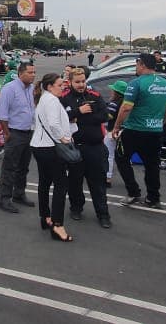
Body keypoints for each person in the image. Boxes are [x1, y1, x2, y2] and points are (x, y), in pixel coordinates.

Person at [112, 53, 166, 208]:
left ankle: (133, 192)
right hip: (155, 131)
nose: (136, 67)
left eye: (137, 64)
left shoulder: (136, 83)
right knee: (152, 165)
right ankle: (153, 197)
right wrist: (161, 123)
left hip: (134, 129)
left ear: (143, 64)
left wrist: (117, 127)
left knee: (121, 158)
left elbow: (126, 107)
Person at [60, 67, 111, 226]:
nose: (81, 84)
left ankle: (103, 214)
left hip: (95, 147)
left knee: (98, 184)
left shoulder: (94, 96)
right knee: (74, 182)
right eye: (77, 82)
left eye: (83, 81)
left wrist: (79, 118)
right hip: (74, 148)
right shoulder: (64, 98)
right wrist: (78, 111)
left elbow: (104, 116)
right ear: (70, 82)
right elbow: (61, 118)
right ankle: (76, 208)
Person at [31, 73, 74, 242]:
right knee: (61, 185)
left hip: (41, 146)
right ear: (50, 86)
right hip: (50, 147)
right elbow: (55, 123)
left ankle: (45, 217)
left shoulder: (44, 98)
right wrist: (63, 138)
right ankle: (57, 224)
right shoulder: (51, 100)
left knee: (45, 182)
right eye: (59, 84)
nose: (63, 86)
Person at [0, 62, 38, 213]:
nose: (33, 75)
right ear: (21, 73)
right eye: (30, 72)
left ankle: (19, 194)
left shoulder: (31, 89)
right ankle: (4, 199)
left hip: (28, 133)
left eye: (34, 72)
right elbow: (2, 114)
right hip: (14, 133)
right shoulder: (9, 89)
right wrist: (7, 133)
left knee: (23, 167)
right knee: (10, 168)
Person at [104, 81, 126, 188]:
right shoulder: (126, 103)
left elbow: (108, 116)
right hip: (124, 131)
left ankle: (107, 178)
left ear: (116, 92)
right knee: (123, 157)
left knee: (109, 155)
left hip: (112, 131)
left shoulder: (113, 103)